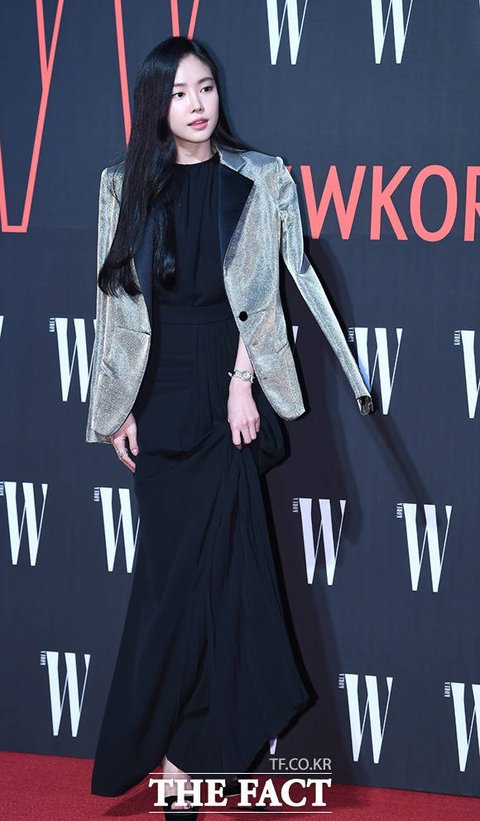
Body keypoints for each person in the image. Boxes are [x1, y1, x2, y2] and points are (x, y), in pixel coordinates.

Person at [86, 36, 373, 815]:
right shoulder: (121, 186)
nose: (197, 104)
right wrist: (116, 409)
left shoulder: (260, 177)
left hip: (227, 390)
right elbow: (113, 304)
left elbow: (272, 286)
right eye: (181, 92)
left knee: (231, 586)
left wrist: (242, 382)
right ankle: (174, 745)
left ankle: (187, 762)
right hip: (160, 397)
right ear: (157, 104)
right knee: (172, 591)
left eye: (207, 87)